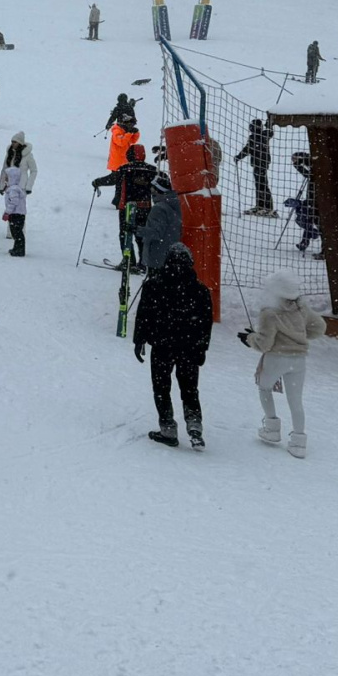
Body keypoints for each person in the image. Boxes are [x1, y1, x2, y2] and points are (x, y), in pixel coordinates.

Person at [133, 244, 213, 448]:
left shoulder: (153, 285)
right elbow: (205, 324)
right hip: (189, 347)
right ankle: (194, 425)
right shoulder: (200, 291)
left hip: (162, 345)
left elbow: (144, 315)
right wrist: (202, 348)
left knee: (161, 387)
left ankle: (168, 428)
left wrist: (139, 340)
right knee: (189, 388)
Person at [242, 270, 326, 458]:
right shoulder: (301, 307)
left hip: (276, 358)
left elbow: (264, 344)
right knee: (296, 400)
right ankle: (299, 442)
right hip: (299, 359)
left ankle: (272, 428)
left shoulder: (269, 312)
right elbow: (320, 327)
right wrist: (300, 337)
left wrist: (250, 338)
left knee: (264, 387)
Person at [92, 142, 158, 268]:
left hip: (127, 207)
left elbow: (111, 179)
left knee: (125, 234)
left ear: (130, 155)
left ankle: (128, 261)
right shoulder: (152, 170)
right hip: (145, 207)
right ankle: (144, 263)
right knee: (142, 235)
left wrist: (97, 182)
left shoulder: (124, 169)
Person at [135, 172, 181, 273]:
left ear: (157, 190)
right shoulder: (175, 204)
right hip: (170, 255)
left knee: (155, 281)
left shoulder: (159, 208)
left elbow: (156, 233)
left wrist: (135, 229)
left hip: (157, 256)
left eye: (152, 189)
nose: (151, 191)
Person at [234, 118, 276, 216]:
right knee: (260, 185)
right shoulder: (264, 135)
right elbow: (270, 132)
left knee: (262, 185)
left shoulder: (255, 137)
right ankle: (261, 206)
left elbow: (247, 149)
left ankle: (266, 207)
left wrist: (239, 157)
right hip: (261, 164)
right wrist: (268, 124)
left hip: (260, 164)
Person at [2, 161, 27, 256]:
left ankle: (20, 250)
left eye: (7, 178)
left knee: (17, 232)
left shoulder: (13, 189)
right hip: (18, 214)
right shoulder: (14, 188)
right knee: (16, 232)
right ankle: (17, 248)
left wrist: (7, 212)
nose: (6, 179)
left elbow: (14, 202)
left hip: (16, 214)